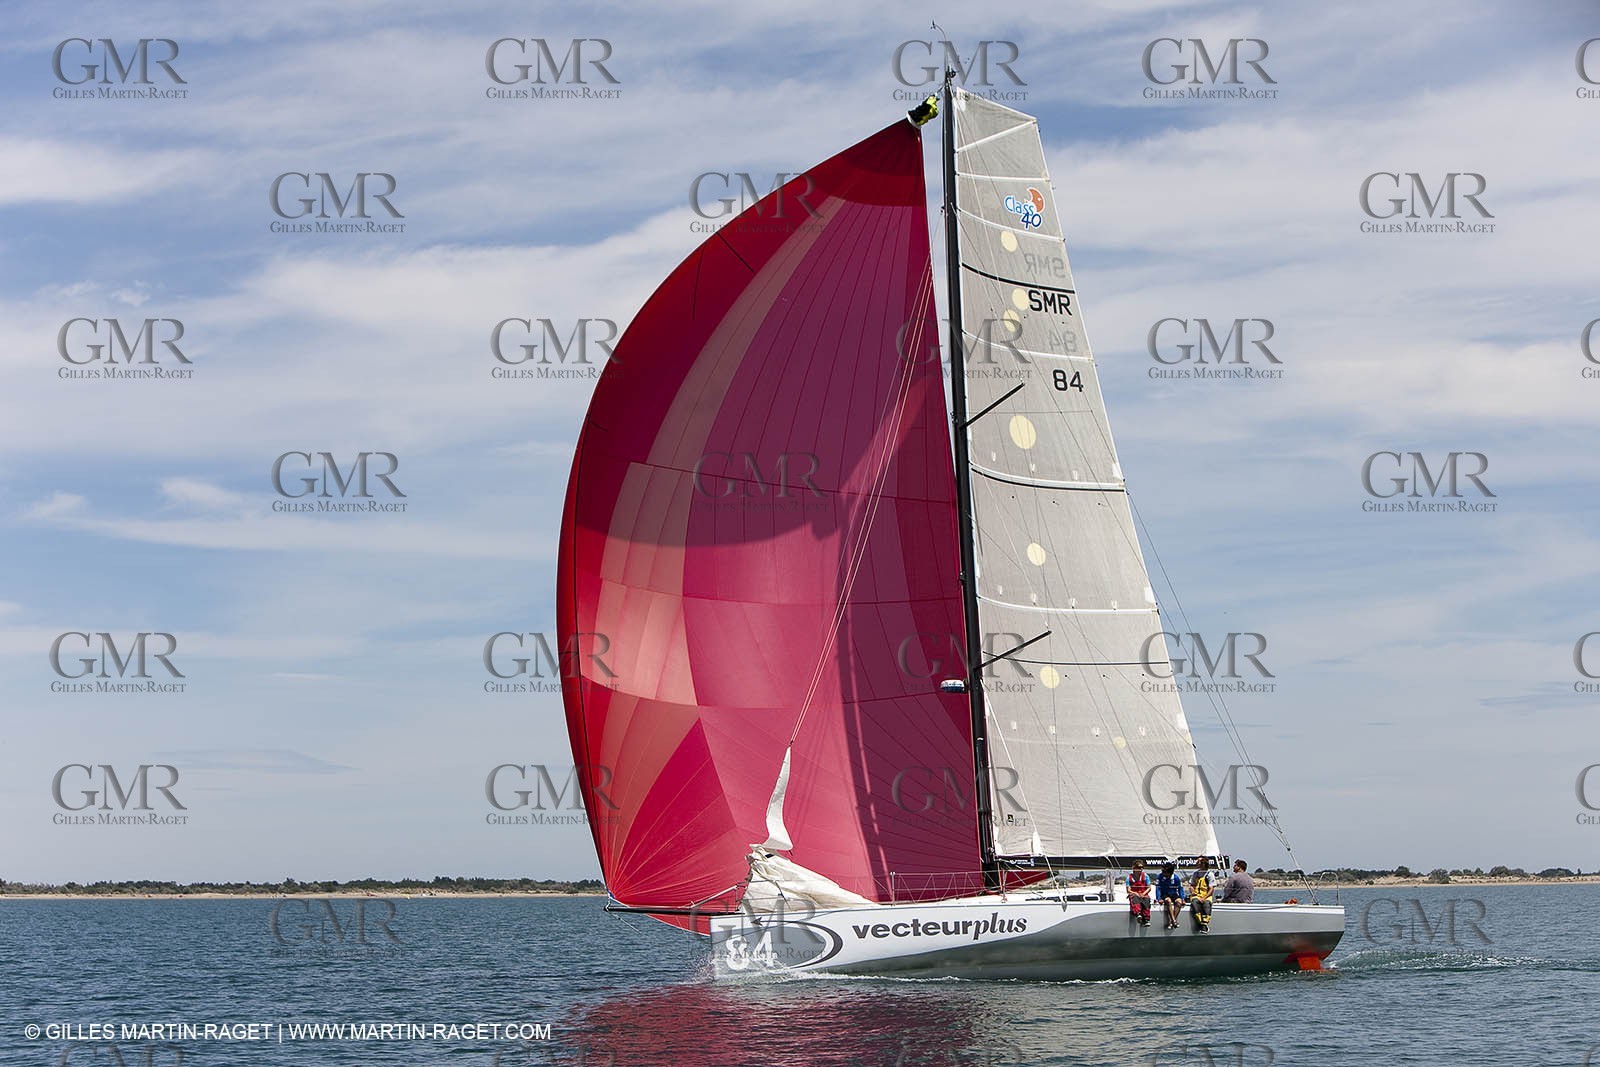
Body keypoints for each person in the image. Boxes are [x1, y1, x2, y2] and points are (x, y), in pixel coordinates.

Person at [1154, 862, 1186, 929]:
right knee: (1168, 901)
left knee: (1179, 902)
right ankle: (1174, 921)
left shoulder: (1176, 878)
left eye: (1165, 872)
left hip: (1173, 894)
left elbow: (1180, 888)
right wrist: (1159, 898)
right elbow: (1158, 888)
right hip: (1164, 894)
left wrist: (1182, 898)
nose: (1163, 873)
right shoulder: (1160, 877)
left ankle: (1172, 922)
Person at [1189, 858, 1214, 932]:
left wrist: (1204, 898)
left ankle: (1205, 923)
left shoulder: (1210, 874)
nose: (1196, 863)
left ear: (1203, 863)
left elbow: (1211, 889)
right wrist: (1192, 891)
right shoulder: (1195, 874)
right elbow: (1191, 885)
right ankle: (1200, 921)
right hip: (1196, 895)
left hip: (1206, 895)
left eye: (1198, 862)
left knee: (1206, 904)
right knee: (1195, 902)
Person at [1126, 860, 1152, 926]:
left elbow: (1149, 887)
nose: (1140, 869)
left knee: (1146, 899)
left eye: (1142, 867)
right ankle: (1138, 914)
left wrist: (1143, 894)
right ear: (1134, 868)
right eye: (1138, 867)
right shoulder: (1129, 877)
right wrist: (1135, 893)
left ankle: (1146, 919)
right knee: (1135, 898)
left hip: (1143, 893)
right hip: (1134, 893)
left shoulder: (1146, 876)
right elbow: (1128, 890)